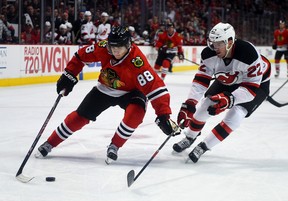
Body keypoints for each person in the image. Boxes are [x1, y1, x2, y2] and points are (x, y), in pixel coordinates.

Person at [35, 26, 179, 163]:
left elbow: (155, 87)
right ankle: (50, 143)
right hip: (104, 88)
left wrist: (163, 115)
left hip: (131, 92)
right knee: (79, 117)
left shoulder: (137, 61)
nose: (115, 51)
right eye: (113, 47)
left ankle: (115, 145)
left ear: (128, 45)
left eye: (119, 48)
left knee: (136, 114)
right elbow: (80, 56)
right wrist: (69, 74)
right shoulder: (104, 47)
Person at [172, 22, 271, 163]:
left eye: (219, 43)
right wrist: (190, 103)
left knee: (237, 113)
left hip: (256, 85)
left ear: (230, 41)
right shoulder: (208, 54)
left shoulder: (248, 54)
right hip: (230, 77)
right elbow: (200, 81)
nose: (214, 47)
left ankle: (204, 146)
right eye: (212, 43)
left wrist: (230, 100)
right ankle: (189, 137)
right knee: (205, 106)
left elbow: (250, 89)